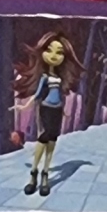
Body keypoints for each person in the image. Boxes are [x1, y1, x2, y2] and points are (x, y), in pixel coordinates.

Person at [16, 33, 79, 197]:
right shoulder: (44, 77)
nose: (54, 56)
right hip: (45, 108)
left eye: (59, 52)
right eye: (49, 50)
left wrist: (64, 111)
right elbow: (37, 94)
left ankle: (45, 173)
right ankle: (33, 173)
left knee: (52, 140)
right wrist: (25, 106)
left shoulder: (59, 78)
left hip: (57, 109)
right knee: (43, 137)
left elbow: (60, 95)